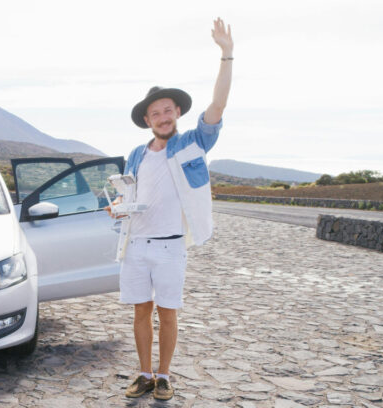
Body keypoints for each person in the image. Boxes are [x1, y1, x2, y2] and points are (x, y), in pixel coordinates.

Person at [108, 18, 233, 401]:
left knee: (168, 312)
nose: (162, 117)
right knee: (141, 312)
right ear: (147, 121)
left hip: (170, 245)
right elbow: (126, 195)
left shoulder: (194, 144)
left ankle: (164, 376)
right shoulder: (135, 155)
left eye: (167, 110)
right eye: (155, 114)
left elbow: (218, 104)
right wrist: (117, 206)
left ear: (176, 111)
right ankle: (144, 373)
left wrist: (227, 54)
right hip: (137, 245)